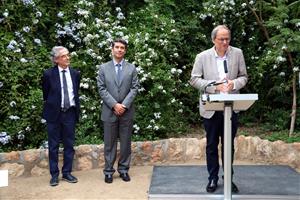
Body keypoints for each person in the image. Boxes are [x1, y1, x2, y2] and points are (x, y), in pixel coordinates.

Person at [189, 25, 248, 193]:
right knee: (212, 145)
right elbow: (194, 80)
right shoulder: (202, 56)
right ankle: (213, 178)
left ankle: (228, 177)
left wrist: (234, 84)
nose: (225, 42)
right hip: (211, 108)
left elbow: (244, 76)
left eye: (227, 39)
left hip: (231, 107)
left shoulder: (237, 53)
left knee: (229, 145)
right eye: (221, 39)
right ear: (213, 39)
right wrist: (214, 87)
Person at [97, 38, 139, 183]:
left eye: (122, 48)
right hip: (109, 111)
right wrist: (115, 105)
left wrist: (124, 105)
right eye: (117, 47)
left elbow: (134, 88)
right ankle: (108, 171)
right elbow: (101, 89)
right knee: (109, 143)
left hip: (126, 112)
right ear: (112, 49)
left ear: (125, 51)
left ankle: (123, 170)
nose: (119, 50)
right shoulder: (103, 68)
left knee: (126, 143)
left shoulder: (131, 68)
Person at [42, 46, 81, 186]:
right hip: (54, 114)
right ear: (56, 59)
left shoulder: (75, 74)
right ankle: (54, 175)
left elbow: (75, 93)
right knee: (53, 146)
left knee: (69, 145)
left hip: (69, 113)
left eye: (68, 55)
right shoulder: (48, 74)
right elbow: (46, 94)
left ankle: (67, 173)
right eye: (64, 56)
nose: (68, 58)